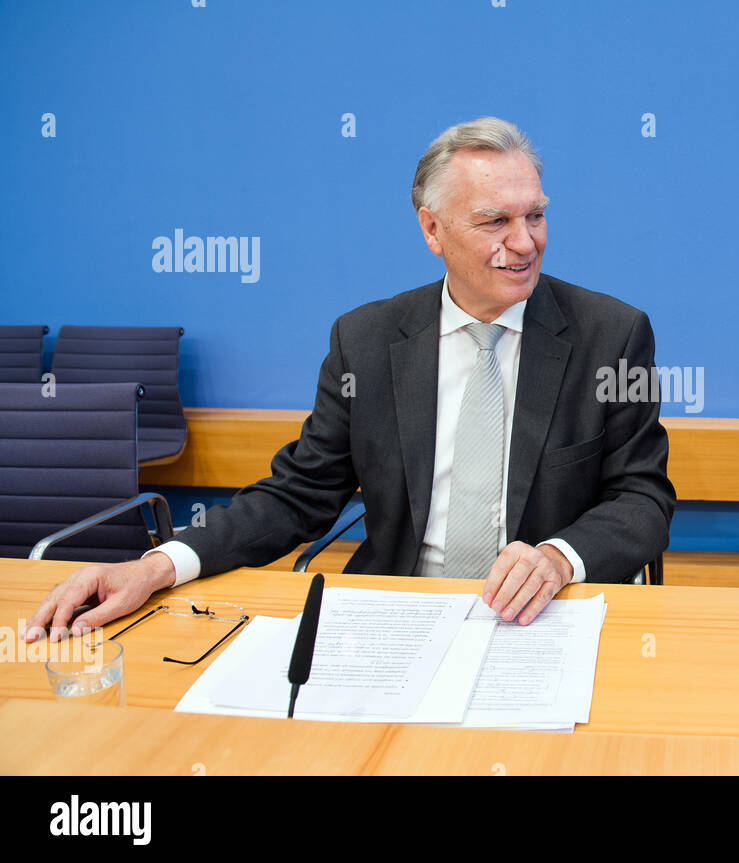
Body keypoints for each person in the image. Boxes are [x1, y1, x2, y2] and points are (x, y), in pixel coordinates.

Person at [26, 117, 675, 639]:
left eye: (535, 215)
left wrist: (558, 557)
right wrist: (158, 564)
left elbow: (643, 498)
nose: (526, 241)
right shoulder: (364, 342)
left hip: (548, 620)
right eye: (495, 221)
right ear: (432, 228)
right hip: (399, 619)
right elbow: (297, 495)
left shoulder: (612, 335)